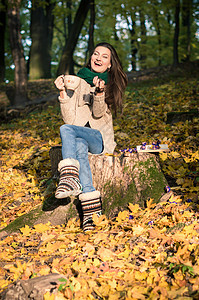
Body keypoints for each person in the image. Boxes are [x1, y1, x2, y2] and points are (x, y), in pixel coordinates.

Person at [54, 42, 127, 231]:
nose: (98, 58)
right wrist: (63, 93)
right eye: (96, 54)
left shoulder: (110, 83)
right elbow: (69, 119)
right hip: (81, 137)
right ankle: (92, 212)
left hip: (100, 139)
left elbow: (97, 113)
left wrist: (99, 92)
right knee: (76, 142)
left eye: (104, 56)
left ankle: (69, 177)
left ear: (110, 64)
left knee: (66, 130)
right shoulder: (77, 81)